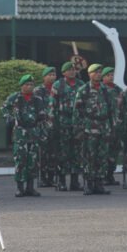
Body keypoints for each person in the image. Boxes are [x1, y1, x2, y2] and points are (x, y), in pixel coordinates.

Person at [1, 74, 47, 197]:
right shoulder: (15, 98)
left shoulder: (37, 99)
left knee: (33, 161)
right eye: (27, 84)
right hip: (20, 133)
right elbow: (4, 108)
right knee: (20, 161)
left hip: (33, 132)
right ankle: (20, 188)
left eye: (31, 84)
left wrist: (42, 131)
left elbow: (43, 116)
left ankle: (30, 187)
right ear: (22, 86)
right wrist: (10, 118)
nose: (29, 87)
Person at [74, 64, 115, 195]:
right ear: (89, 74)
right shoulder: (83, 90)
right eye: (95, 72)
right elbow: (77, 111)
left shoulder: (105, 90)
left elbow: (112, 110)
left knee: (102, 157)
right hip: (89, 127)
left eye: (100, 72)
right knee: (89, 156)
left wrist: (112, 128)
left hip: (104, 127)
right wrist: (79, 130)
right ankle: (89, 183)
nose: (98, 74)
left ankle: (99, 183)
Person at [50, 61, 85, 191]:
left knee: (77, 154)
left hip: (77, 124)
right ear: (64, 72)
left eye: (74, 69)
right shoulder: (58, 85)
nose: (72, 71)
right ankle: (62, 181)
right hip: (62, 123)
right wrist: (53, 124)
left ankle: (75, 181)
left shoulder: (81, 85)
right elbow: (52, 106)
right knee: (62, 154)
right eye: (69, 70)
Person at [33, 66, 58, 188]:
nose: (52, 77)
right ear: (44, 77)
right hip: (42, 125)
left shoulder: (58, 89)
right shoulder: (38, 90)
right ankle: (42, 178)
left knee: (53, 152)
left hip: (55, 125)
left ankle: (51, 177)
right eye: (49, 75)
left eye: (54, 75)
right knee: (42, 153)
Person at [101, 66, 122, 186]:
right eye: (108, 75)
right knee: (105, 151)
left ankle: (110, 175)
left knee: (114, 151)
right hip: (105, 125)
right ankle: (103, 175)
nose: (111, 77)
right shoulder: (101, 90)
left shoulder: (118, 90)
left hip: (116, 125)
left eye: (112, 74)